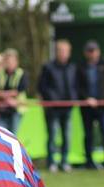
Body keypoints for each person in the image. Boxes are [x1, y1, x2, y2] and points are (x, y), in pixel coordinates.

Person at [76, 40, 104, 171]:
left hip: (102, 106)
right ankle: (89, 161)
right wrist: (86, 98)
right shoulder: (81, 66)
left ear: (98, 51)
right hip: (87, 107)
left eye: (94, 50)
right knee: (88, 134)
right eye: (89, 51)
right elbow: (77, 86)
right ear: (86, 53)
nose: (92, 53)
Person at [38, 39, 77, 172]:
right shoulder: (48, 67)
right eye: (60, 50)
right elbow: (42, 87)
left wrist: (73, 98)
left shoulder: (72, 68)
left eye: (65, 51)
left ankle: (65, 161)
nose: (63, 53)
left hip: (67, 107)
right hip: (53, 108)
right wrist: (52, 99)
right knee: (53, 136)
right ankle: (52, 162)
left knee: (67, 135)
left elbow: (75, 86)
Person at [0, 48, 27, 135]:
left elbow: (19, 90)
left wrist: (2, 94)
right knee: (0, 135)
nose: (9, 63)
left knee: (12, 135)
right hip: (0, 109)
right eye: (7, 61)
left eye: (11, 61)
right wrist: (8, 96)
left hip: (16, 110)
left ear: (16, 62)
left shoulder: (21, 73)